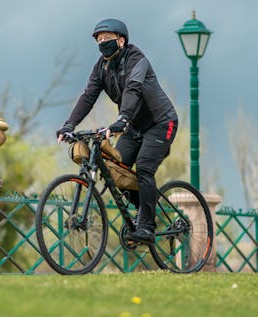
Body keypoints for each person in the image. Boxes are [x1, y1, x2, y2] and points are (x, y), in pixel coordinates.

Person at [56, 18, 178, 245]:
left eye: (107, 39)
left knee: (143, 168)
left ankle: (147, 227)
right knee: (116, 170)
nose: (102, 43)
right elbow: (88, 96)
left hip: (161, 123)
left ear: (121, 41)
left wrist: (122, 119)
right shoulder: (101, 67)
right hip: (134, 126)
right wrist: (69, 125)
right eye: (99, 40)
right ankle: (145, 213)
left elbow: (133, 89)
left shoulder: (137, 60)